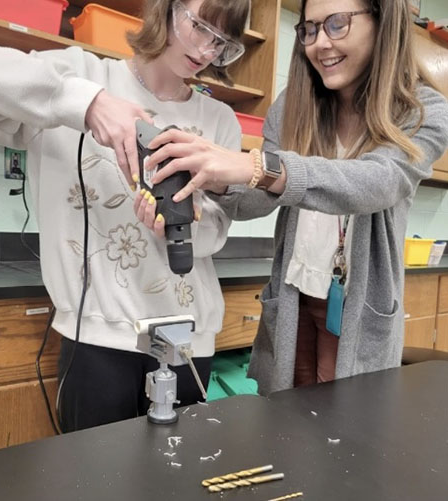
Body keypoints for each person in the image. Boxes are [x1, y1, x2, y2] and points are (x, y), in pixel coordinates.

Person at [0, 0, 250, 430]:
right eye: (200, 26)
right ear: (165, 8)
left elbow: (217, 229)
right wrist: (87, 103)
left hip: (187, 343)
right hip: (97, 340)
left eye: (222, 43)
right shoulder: (82, 75)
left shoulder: (218, 120)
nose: (206, 50)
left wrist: (180, 225)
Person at [139, 0, 448, 395]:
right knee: (285, 420)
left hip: (356, 308)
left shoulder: (422, 110)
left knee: (346, 433)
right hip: (292, 298)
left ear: (382, 22)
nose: (320, 43)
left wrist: (257, 167)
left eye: (337, 24)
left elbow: (378, 183)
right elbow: (256, 203)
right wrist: (213, 177)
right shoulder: (292, 105)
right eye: (310, 29)